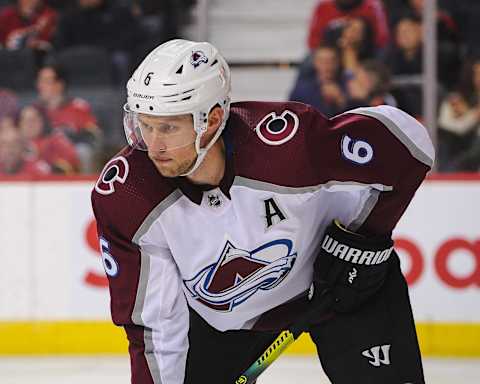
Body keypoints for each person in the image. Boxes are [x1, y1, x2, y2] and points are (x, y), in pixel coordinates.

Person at [92, 39, 433, 383]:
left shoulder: (288, 148)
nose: (153, 146)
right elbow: (153, 326)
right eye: (145, 126)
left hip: (344, 286)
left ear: (211, 120)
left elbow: (410, 145)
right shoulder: (127, 196)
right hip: (225, 322)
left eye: (168, 127)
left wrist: (364, 239)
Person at [35, 64, 100, 172]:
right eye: (39, 81)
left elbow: (93, 136)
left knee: (84, 151)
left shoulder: (78, 107)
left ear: (59, 85)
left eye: (46, 81)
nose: (40, 86)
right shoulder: (34, 111)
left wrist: (69, 137)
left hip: (71, 157)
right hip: (43, 156)